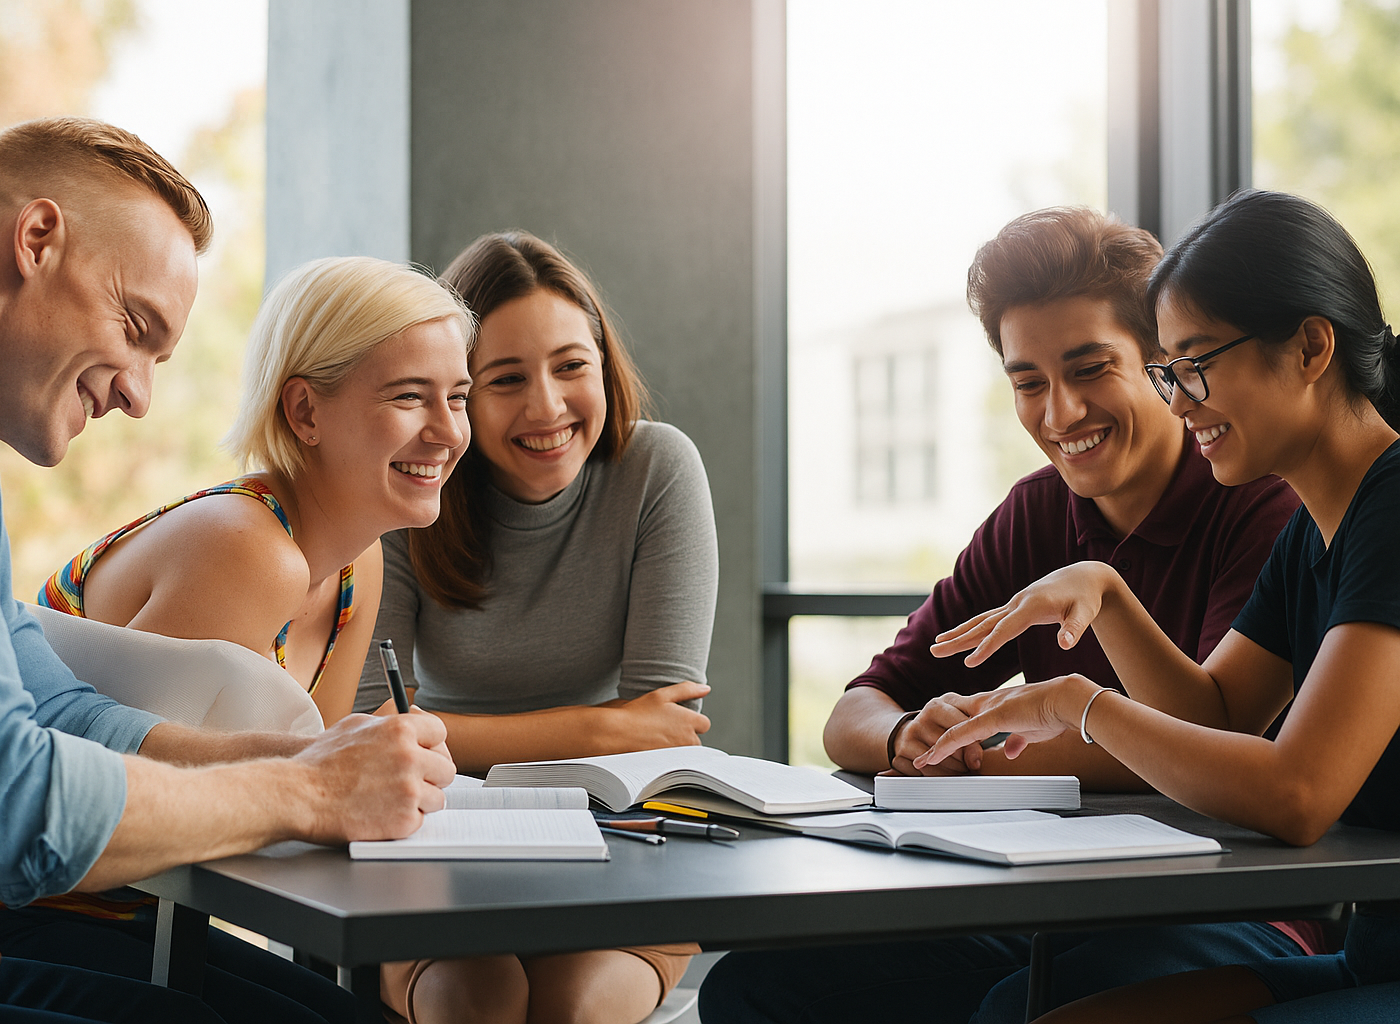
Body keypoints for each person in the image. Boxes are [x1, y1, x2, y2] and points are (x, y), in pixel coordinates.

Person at [0, 118, 454, 1024]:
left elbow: (57, 710)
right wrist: (305, 790)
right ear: (36, 240)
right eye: (136, 329)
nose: (139, 395)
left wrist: (307, 756)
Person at [699, 208, 1310, 1024]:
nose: (1059, 414)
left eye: (1090, 369)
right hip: (1053, 904)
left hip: (1239, 909)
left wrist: (981, 749)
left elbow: (1204, 743)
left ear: (1164, 362)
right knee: (753, 986)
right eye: (1028, 382)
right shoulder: (1035, 515)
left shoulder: (1260, 503)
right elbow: (857, 710)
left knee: (1015, 1009)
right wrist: (903, 737)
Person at [916, 190, 1400, 1022]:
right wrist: (1108, 595)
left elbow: (1300, 793)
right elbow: (1220, 716)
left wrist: (1081, 703)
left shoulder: (1392, 505)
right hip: (1373, 959)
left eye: (1197, 363)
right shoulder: (1316, 529)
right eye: (1168, 370)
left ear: (1312, 346)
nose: (1177, 401)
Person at [351, 231, 717, 1024]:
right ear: (458, 396)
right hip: (440, 837)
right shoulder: (415, 497)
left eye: (571, 366)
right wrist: (595, 726)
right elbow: (371, 729)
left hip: (624, 839)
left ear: (604, 364)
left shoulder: (658, 469)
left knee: (575, 1008)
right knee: (477, 1003)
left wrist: (446, 731)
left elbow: (658, 735)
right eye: (505, 379)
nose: (547, 406)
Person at [39, 254, 474, 725]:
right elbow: (124, 771)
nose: (449, 432)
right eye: (409, 395)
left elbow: (319, 761)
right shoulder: (249, 555)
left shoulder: (358, 562)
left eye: (458, 397)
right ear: (305, 411)